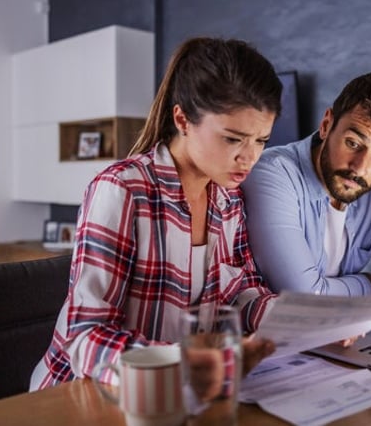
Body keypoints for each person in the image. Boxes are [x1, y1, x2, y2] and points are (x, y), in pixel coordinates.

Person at [30, 37, 281, 391]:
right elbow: (84, 338)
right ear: (182, 119)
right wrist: (185, 364)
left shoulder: (229, 201)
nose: (249, 157)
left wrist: (299, 321)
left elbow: (242, 295)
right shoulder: (122, 191)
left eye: (261, 140)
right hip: (82, 396)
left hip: (179, 394)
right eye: (232, 139)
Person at [242, 72, 371, 304]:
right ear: (327, 125)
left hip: (343, 336)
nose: (360, 168)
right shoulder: (272, 174)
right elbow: (304, 298)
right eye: (353, 143)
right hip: (272, 338)